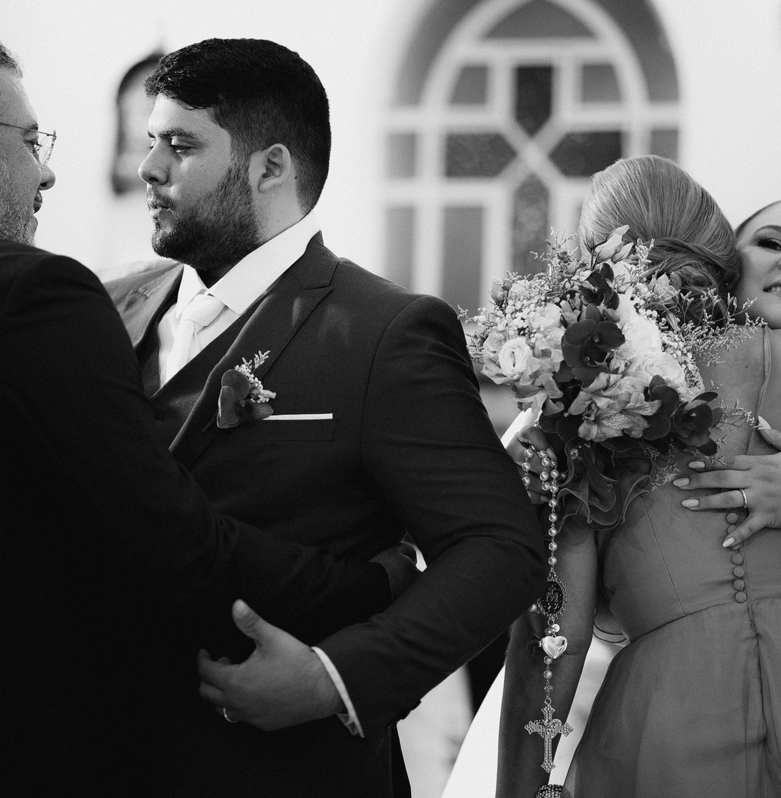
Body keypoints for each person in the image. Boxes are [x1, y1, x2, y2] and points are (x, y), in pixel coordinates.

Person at [0, 25, 417, 797]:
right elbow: (172, 547)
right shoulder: (20, 291)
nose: (46, 172)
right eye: (30, 142)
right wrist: (372, 584)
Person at [104, 37, 546, 797]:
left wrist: (331, 678)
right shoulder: (108, 305)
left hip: (284, 770)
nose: (147, 167)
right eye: (150, 142)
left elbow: (501, 549)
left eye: (180, 145)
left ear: (271, 166)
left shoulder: (384, 332)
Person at [493, 156, 781, 797]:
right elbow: (557, 635)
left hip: (718, 724)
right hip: (760, 724)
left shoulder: (581, 399)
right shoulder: (596, 395)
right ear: (724, 263)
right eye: (771, 242)